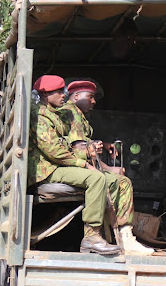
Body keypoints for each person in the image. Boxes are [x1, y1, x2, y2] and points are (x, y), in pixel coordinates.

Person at [28, 75, 153, 256]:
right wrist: (85, 163)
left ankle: (124, 237)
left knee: (118, 181)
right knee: (96, 178)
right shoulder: (40, 116)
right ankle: (92, 237)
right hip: (46, 170)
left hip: (57, 166)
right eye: (58, 92)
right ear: (45, 94)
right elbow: (55, 152)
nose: (63, 95)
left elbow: (65, 148)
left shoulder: (53, 114)